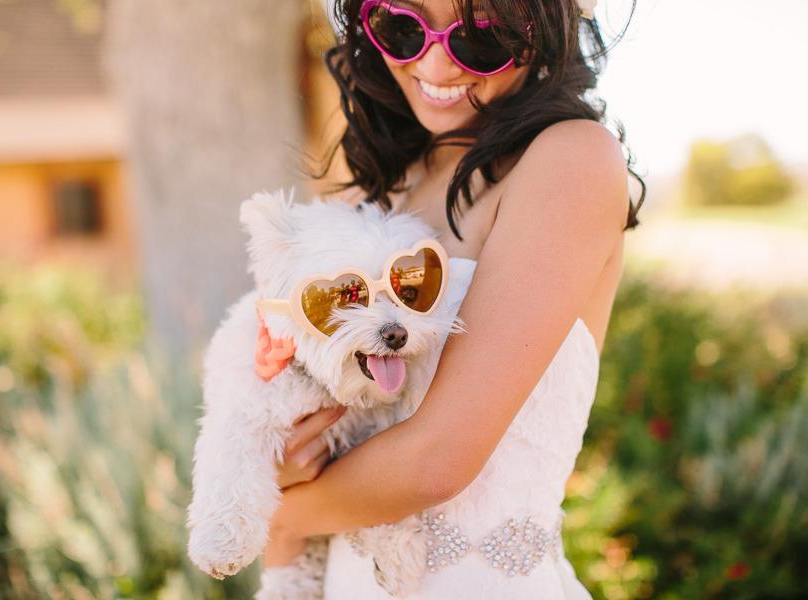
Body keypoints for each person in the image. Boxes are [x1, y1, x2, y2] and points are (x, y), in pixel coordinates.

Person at [264, 0, 644, 597]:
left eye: (479, 39)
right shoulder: (382, 187)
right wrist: (281, 462)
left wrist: (271, 511)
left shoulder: (569, 158)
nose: (437, 64)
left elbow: (436, 460)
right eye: (402, 26)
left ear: (542, 26)